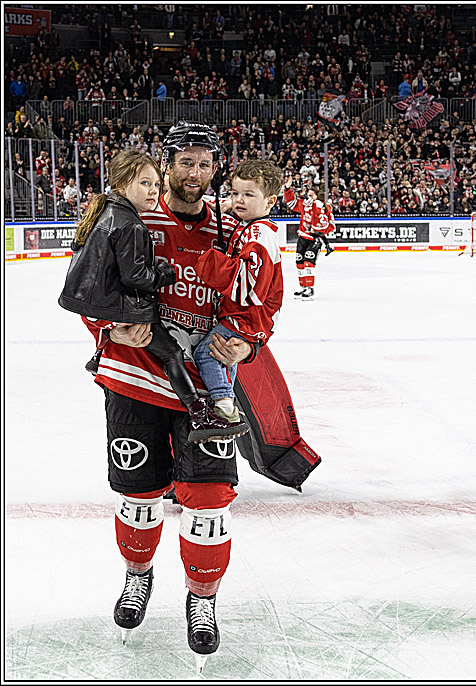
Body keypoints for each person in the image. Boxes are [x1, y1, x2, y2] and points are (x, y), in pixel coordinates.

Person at [80, 121, 252, 671]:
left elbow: (255, 305)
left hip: (204, 392)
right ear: (167, 163)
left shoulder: (233, 230)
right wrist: (107, 327)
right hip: (134, 379)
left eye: (205, 164)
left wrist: (246, 346)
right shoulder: (131, 216)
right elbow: (89, 283)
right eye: (185, 163)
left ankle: (202, 601)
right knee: (139, 495)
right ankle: (137, 576)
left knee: (208, 503)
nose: (195, 174)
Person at [58, 148, 248, 445]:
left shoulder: (106, 212)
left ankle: (98, 355)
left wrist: (250, 346)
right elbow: (135, 277)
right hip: (123, 314)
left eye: (155, 184)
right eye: (145, 183)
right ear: (122, 183)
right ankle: (198, 412)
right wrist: (163, 273)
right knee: (172, 353)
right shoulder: (133, 223)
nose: (152, 191)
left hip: (104, 305)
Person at [193, 158, 285, 435]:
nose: (238, 200)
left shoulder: (258, 234)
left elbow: (248, 286)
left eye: (248, 195)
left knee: (207, 354)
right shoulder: (251, 226)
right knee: (224, 359)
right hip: (246, 316)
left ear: (269, 202)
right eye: (235, 193)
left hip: (246, 316)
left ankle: (224, 407)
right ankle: (225, 401)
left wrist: (209, 262)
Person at [283, 175, 334, 301]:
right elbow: (291, 203)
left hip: (314, 239)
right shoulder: (304, 205)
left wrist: (317, 229)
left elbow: (331, 226)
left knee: (308, 263)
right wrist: (287, 188)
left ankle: (310, 288)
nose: (308, 198)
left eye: (311, 196)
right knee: (299, 263)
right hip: (302, 238)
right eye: (308, 195)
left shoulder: (323, 207)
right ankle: (303, 286)